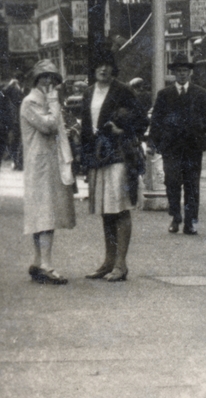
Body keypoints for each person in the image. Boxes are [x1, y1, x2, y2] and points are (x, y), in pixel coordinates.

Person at [80, 53, 148, 283]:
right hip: (98, 157)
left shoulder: (123, 90)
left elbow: (142, 120)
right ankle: (108, 261)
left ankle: (121, 264)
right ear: (94, 68)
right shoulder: (88, 92)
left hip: (118, 155)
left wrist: (124, 131)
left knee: (119, 208)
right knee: (106, 210)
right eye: (99, 64)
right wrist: (85, 160)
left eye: (108, 65)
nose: (103, 69)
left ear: (113, 70)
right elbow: (86, 128)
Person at [149, 57, 206, 235]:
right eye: (178, 71)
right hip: (171, 147)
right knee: (172, 182)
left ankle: (190, 222)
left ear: (190, 73)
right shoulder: (164, 95)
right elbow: (156, 120)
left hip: (193, 147)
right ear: (173, 73)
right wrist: (152, 142)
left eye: (185, 71)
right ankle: (175, 216)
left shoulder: (200, 94)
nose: (182, 74)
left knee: (192, 185)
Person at [20, 60, 75, 284]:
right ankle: (46, 264)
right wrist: (54, 103)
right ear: (36, 79)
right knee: (45, 214)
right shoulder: (31, 101)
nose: (49, 81)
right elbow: (48, 126)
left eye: (52, 77)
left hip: (47, 162)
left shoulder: (41, 100)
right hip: (40, 164)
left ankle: (38, 261)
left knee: (43, 213)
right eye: (44, 76)